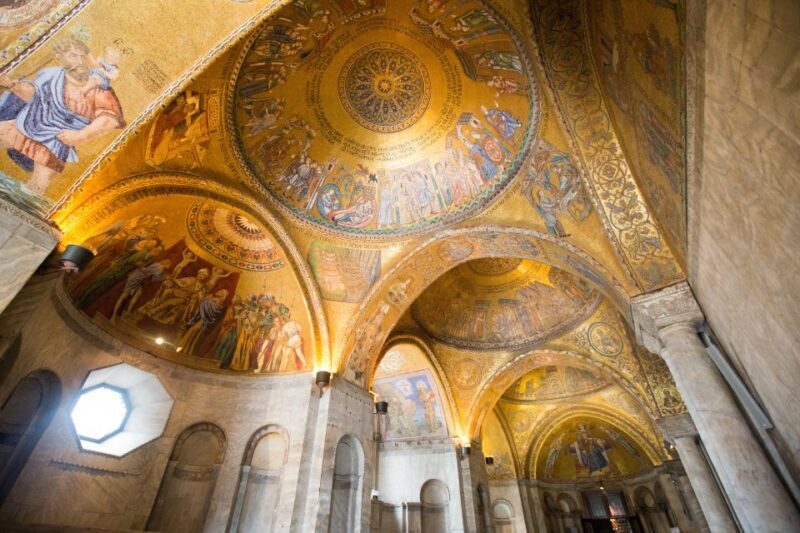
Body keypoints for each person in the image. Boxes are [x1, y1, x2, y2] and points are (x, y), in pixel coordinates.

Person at [0, 37, 125, 194]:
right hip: (30, 123)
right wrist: (13, 85)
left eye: (82, 56)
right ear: (61, 58)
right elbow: (33, 94)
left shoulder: (99, 91)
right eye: (73, 56)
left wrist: (81, 134)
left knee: (36, 187)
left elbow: (109, 119)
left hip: (56, 141)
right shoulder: (51, 75)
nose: (81, 62)